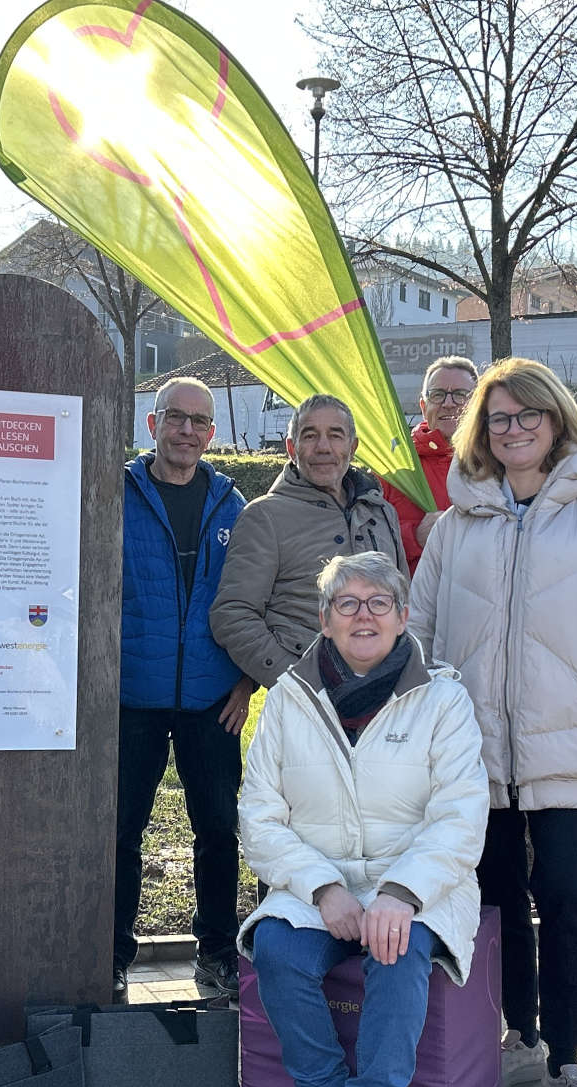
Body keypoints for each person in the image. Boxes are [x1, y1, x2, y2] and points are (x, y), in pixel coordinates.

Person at [409, 357, 577, 1087]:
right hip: (472, 754)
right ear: (477, 433)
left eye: (528, 415)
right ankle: (513, 1038)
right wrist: (414, 739)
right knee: (491, 905)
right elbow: (416, 637)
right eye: (497, 418)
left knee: (564, 902)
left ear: (557, 421)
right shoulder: (452, 527)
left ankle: (566, 1066)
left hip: (571, 743)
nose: (513, 428)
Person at [239, 552, 488, 1087]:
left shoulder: (443, 698)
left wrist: (402, 893)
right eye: (346, 603)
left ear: (403, 617)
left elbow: (460, 815)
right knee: (276, 950)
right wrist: (322, 889)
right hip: (316, 885)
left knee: (398, 955)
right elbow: (260, 816)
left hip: (416, 884)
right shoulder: (290, 701)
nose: (364, 615)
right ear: (324, 621)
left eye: (379, 603)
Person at [117, 377, 253, 1002]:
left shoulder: (233, 506)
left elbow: (262, 599)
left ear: (213, 433)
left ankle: (218, 956)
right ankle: (112, 955)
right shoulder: (115, 492)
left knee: (220, 830)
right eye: (177, 418)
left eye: (201, 422)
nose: (189, 432)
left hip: (211, 700)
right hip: (130, 698)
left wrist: (247, 680)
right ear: (153, 424)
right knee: (121, 832)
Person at [211, 394, 404, 688]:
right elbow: (232, 615)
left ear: (353, 447)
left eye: (335, 435)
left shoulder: (381, 513)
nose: (323, 447)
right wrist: (299, 684)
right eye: (310, 435)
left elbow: (404, 602)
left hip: (385, 694)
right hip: (309, 705)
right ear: (291, 448)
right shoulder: (265, 516)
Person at [379, 356, 477, 575]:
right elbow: (364, 545)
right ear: (423, 406)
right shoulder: (393, 468)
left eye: (461, 395)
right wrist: (415, 537)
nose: (449, 403)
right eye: (438, 395)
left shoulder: (501, 464)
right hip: (413, 602)